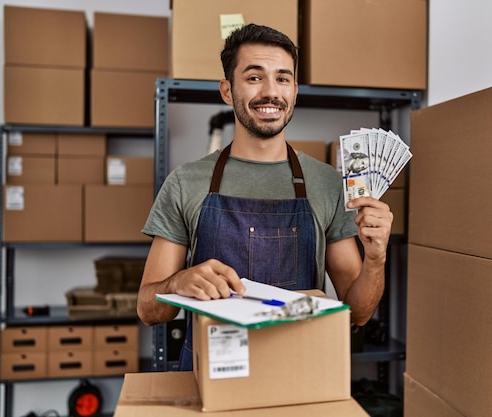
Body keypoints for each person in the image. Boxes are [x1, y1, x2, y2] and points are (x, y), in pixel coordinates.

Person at [137, 23, 393, 371]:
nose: (271, 92)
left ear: (295, 90)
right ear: (227, 91)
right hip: (211, 375)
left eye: (283, 78)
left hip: (296, 373)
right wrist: (176, 283)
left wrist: (376, 258)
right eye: (255, 77)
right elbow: (148, 310)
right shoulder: (185, 182)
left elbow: (358, 312)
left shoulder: (328, 184)